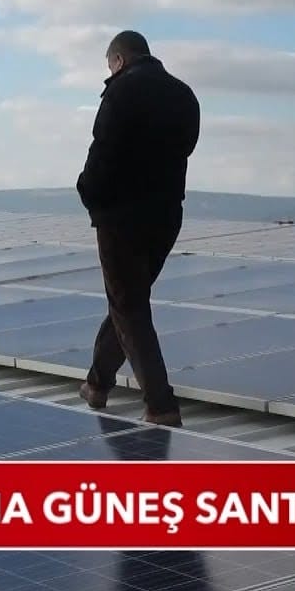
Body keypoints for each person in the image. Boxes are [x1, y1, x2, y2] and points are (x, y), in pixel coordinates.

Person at [76, 30, 200, 428]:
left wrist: (89, 193)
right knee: (127, 301)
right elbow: (186, 148)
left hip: (121, 218)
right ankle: (96, 383)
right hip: (166, 216)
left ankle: (161, 406)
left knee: (129, 306)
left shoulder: (121, 91)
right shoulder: (183, 94)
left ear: (118, 60)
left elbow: (103, 151)